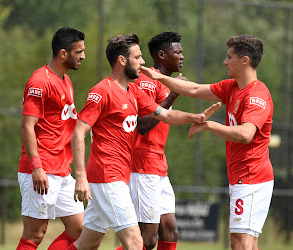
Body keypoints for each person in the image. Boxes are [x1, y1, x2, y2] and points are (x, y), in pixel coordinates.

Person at [67, 34, 220, 250]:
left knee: (87, 243)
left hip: (119, 176)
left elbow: (165, 115)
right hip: (106, 176)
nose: (143, 62)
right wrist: (80, 177)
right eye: (137, 57)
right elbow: (78, 133)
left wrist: (196, 118)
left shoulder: (133, 91)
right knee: (137, 242)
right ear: (122, 60)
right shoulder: (102, 91)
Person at [140, 34, 274, 250]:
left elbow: (246, 134)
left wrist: (210, 125)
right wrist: (159, 78)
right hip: (241, 177)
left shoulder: (257, 95)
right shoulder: (231, 87)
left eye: (230, 57)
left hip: (252, 177)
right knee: (245, 243)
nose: (225, 61)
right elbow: (192, 89)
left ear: (245, 61)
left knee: (241, 244)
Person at [17, 27, 86, 250]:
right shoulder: (39, 81)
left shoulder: (65, 81)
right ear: (63, 53)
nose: (83, 56)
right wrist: (37, 167)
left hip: (62, 171)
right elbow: (27, 126)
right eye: (79, 52)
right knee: (35, 234)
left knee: (80, 230)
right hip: (41, 169)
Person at [128, 31, 184, 250]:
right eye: (177, 52)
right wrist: (173, 95)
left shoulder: (164, 82)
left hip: (158, 165)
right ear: (162, 54)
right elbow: (142, 125)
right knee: (147, 239)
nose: (181, 56)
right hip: (142, 165)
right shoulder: (147, 80)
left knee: (170, 231)